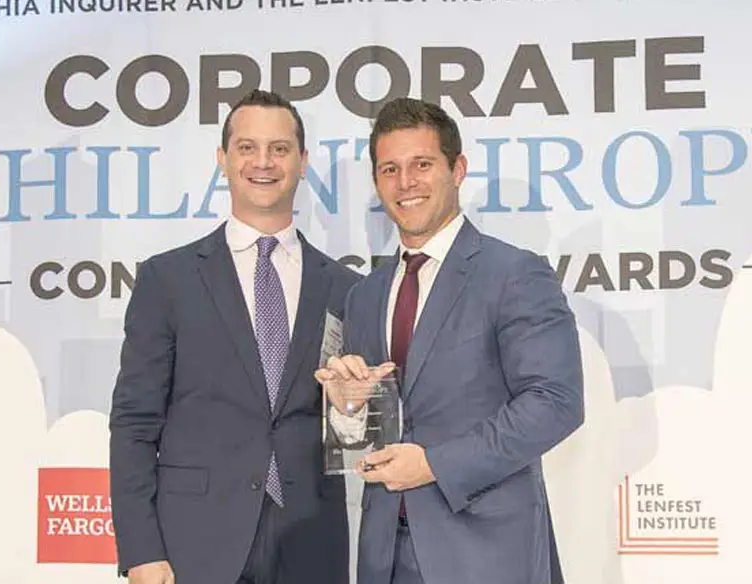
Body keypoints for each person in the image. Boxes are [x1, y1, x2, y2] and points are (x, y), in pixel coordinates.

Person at [315, 97, 585, 584]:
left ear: (457, 170)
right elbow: (364, 440)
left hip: (486, 554)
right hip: (384, 556)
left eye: (422, 164)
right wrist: (347, 409)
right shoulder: (364, 295)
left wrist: (434, 465)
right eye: (390, 169)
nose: (405, 182)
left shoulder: (513, 273)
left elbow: (555, 402)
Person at [109, 89, 360, 584]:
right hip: (195, 544)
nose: (263, 162)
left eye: (279, 149)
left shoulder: (346, 288)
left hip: (312, 539)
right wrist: (140, 550)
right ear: (222, 159)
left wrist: (353, 407)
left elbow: (352, 429)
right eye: (247, 147)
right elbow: (134, 422)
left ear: (303, 161)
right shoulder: (168, 280)